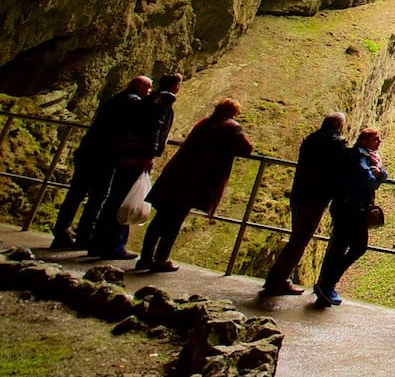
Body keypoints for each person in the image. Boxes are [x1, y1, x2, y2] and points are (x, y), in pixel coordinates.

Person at [137, 98, 255, 272]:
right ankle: (161, 259)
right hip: (194, 182)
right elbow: (247, 148)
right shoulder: (231, 127)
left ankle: (145, 258)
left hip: (176, 175)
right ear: (232, 113)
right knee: (174, 221)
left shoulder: (203, 123)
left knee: (160, 219)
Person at [51, 76, 150, 250]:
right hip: (104, 155)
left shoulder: (116, 99)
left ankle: (62, 231)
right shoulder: (133, 103)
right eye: (148, 88)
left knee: (77, 193)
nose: (149, 92)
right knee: (98, 196)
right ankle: (85, 234)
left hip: (89, 151)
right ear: (141, 87)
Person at [91, 73, 179, 261]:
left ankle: (98, 243)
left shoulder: (147, 100)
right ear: (174, 86)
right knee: (124, 198)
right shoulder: (163, 100)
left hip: (126, 153)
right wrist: (149, 154)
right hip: (137, 157)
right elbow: (154, 127)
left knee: (115, 198)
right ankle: (113, 246)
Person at [262, 112, 349, 295]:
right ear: (339, 127)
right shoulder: (337, 145)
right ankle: (276, 280)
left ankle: (278, 279)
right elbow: (342, 169)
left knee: (297, 237)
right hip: (316, 198)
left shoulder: (310, 140)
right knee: (299, 241)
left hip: (299, 194)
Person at [311, 128, 388, 307]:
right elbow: (369, 181)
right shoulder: (358, 158)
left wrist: (379, 173)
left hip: (347, 207)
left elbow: (376, 175)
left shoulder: (364, 156)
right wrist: (379, 176)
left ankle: (326, 285)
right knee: (356, 247)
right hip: (351, 209)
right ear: (364, 141)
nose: (379, 142)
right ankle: (326, 284)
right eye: (375, 139)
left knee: (338, 248)